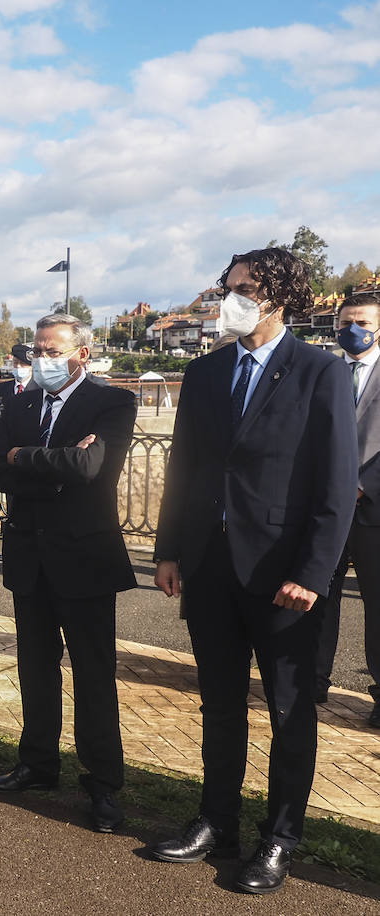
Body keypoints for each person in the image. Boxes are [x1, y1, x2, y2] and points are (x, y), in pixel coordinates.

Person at [149, 248, 356, 894]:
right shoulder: (206, 372)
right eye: (227, 288)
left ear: (279, 300)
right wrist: (167, 550)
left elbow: (335, 484)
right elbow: (184, 469)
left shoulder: (320, 373)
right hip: (210, 569)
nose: (227, 300)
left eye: (242, 290)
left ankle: (280, 839)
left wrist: (315, 573)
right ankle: (217, 821)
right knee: (219, 705)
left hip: (284, 578)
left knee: (291, 713)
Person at [0, 313, 138, 834]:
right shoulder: (19, 401)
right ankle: (37, 762)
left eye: (52, 351)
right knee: (34, 666)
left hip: (85, 559)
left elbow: (94, 470)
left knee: (94, 675)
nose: (42, 360)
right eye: (37, 351)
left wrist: (24, 456)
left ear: (82, 354)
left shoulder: (111, 401)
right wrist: (54, 463)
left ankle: (102, 785)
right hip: (30, 556)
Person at [316, 290, 380, 721]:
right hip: (323, 510)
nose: (352, 330)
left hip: (373, 508)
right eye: (344, 323)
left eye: (362, 322)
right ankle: (311, 680)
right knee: (317, 596)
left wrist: (359, 486)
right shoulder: (325, 371)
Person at [0, 343, 33, 417]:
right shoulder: (2, 388)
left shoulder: (39, 389)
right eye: (15, 362)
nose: (18, 366)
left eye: (22, 363)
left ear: (31, 366)